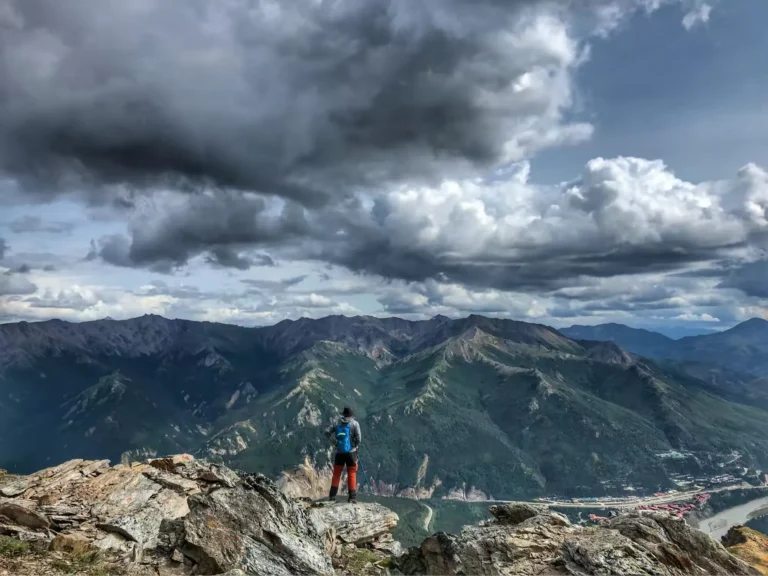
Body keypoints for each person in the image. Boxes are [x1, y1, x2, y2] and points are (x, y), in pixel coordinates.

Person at [327, 406, 361, 503]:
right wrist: (355, 445)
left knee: (337, 474)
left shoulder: (337, 423)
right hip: (351, 453)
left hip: (339, 453)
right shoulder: (355, 424)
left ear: (343, 414)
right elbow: (359, 439)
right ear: (351, 415)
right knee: (352, 473)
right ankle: (352, 497)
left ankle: (332, 496)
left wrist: (335, 443)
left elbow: (326, 433)